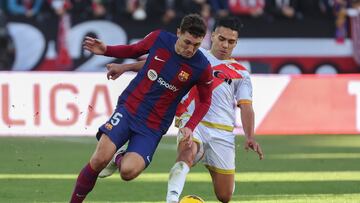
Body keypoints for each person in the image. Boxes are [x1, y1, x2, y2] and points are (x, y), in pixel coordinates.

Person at [102, 16, 264, 203]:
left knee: (225, 196)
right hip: (194, 122)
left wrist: (250, 136)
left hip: (223, 133)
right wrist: (126, 67)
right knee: (186, 154)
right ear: (212, 36)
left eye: (231, 42)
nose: (225, 45)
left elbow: (246, 106)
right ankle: (172, 199)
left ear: (236, 43)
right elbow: (154, 64)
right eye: (222, 39)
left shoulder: (241, 73)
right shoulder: (196, 57)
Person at [69, 13, 213, 203]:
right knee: (98, 160)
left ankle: (119, 158)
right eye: (187, 42)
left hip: (153, 126)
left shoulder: (202, 67)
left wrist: (191, 126)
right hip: (130, 108)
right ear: (178, 32)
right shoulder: (160, 38)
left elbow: (205, 101)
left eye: (196, 45)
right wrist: (107, 50)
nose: (190, 49)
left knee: (128, 172)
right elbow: (134, 50)